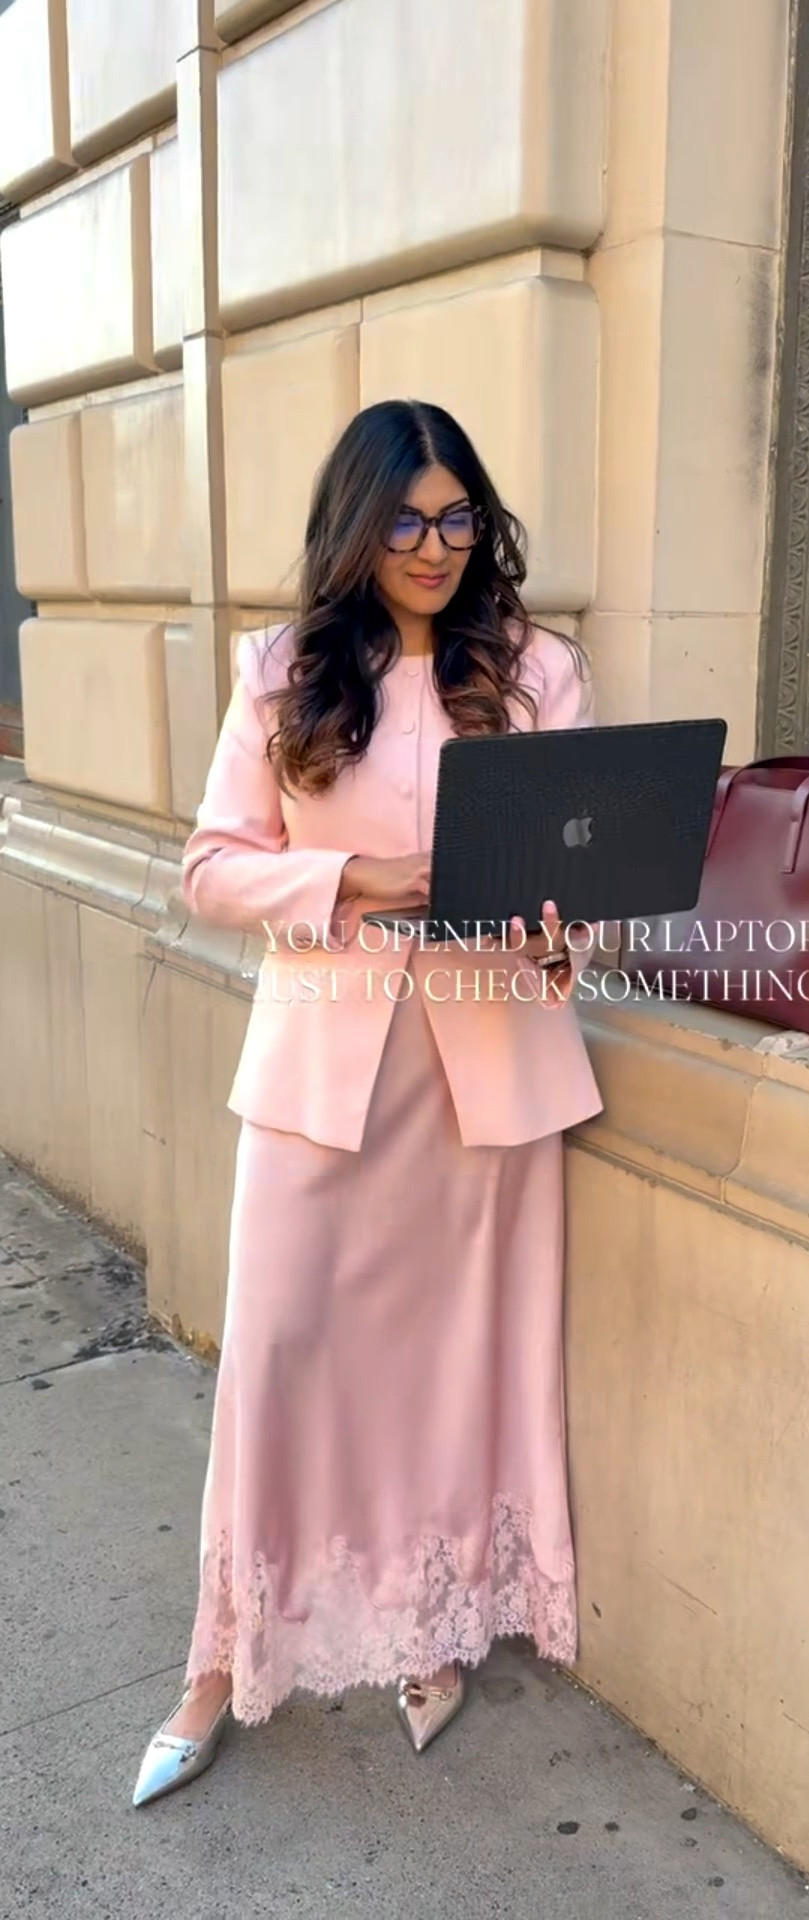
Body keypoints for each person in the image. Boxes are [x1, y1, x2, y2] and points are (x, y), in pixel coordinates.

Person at [131, 398, 606, 1806]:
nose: (436, 546)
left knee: (454, 1369)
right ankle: (219, 1659)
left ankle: (434, 1625)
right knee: (278, 1356)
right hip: (322, 1072)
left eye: (459, 519)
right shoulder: (281, 673)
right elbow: (213, 868)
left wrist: (563, 925)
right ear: (357, 524)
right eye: (406, 520)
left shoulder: (537, 671)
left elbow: (579, 869)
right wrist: (351, 883)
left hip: (488, 1076)